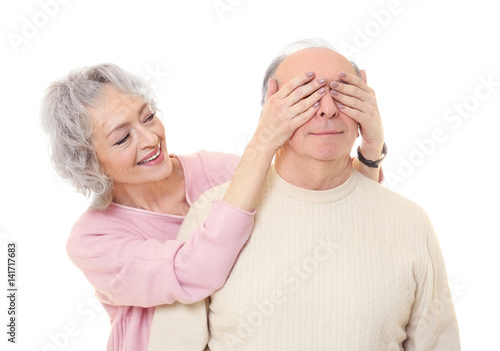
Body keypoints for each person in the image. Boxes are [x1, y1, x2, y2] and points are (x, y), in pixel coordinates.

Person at [40, 58, 385, 351]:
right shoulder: (92, 242)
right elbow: (195, 272)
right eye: (122, 138)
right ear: (89, 163)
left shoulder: (220, 171)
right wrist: (263, 143)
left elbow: (323, 213)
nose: (149, 139)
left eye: (147, 117)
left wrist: (371, 148)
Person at [154, 41, 461, 350]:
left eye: (343, 93)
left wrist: (372, 147)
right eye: (307, 94)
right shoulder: (213, 214)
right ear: (271, 112)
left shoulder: (409, 222)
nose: (328, 108)